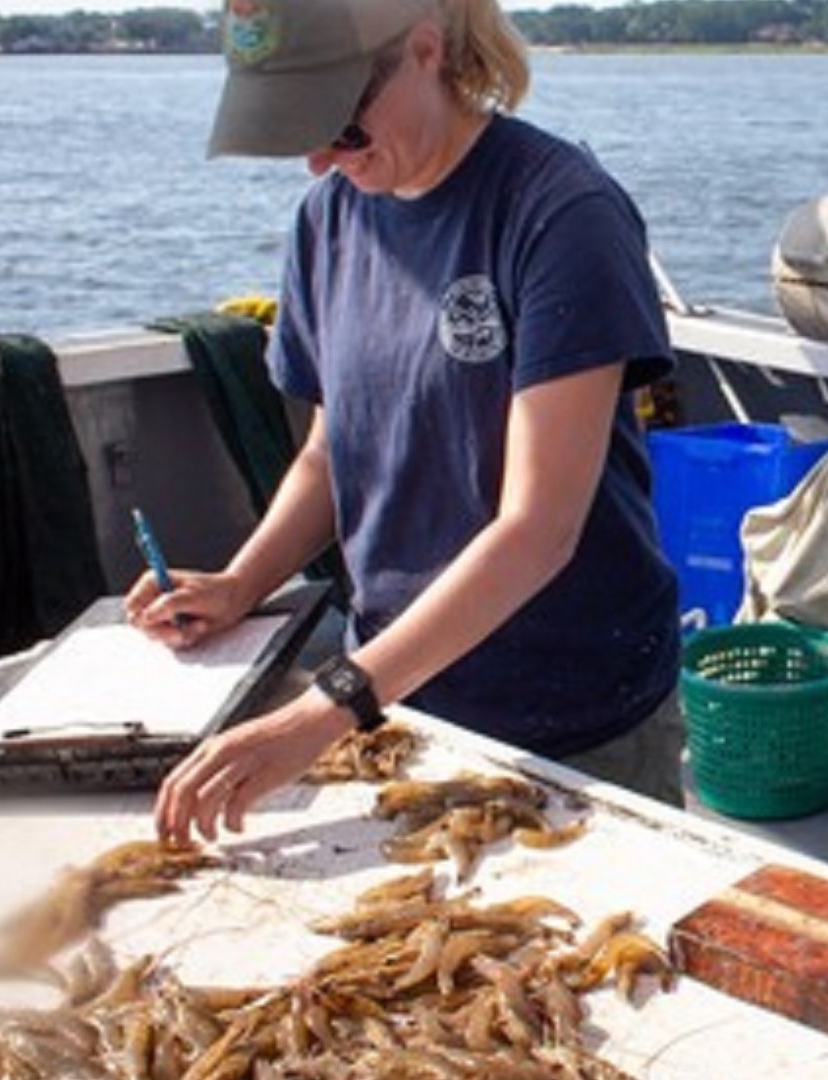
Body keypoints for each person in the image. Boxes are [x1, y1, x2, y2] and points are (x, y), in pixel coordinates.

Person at [128, 0, 685, 838]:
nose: (320, 160)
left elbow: (539, 528)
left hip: (576, 716)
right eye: (299, 135)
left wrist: (324, 709)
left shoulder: (560, 213)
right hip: (401, 702)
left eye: (342, 128)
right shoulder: (328, 220)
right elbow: (329, 450)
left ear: (425, 52)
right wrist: (244, 583)